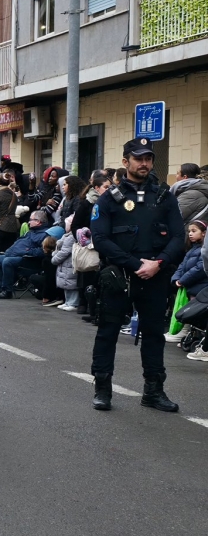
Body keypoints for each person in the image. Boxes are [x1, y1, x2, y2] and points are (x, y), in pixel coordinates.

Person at [89, 138, 185, 412]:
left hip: (154, 276)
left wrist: (159, 262)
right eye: (138, 158)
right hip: (119, 275)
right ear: (125, 162)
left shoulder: (165, 197)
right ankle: (103, 389)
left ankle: (153, 391)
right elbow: (100, 238)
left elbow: (179, 236)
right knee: (107, 332)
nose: (144, 163)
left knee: (153, 334)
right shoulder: (109, 199)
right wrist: (134, 264)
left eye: (148, 158)